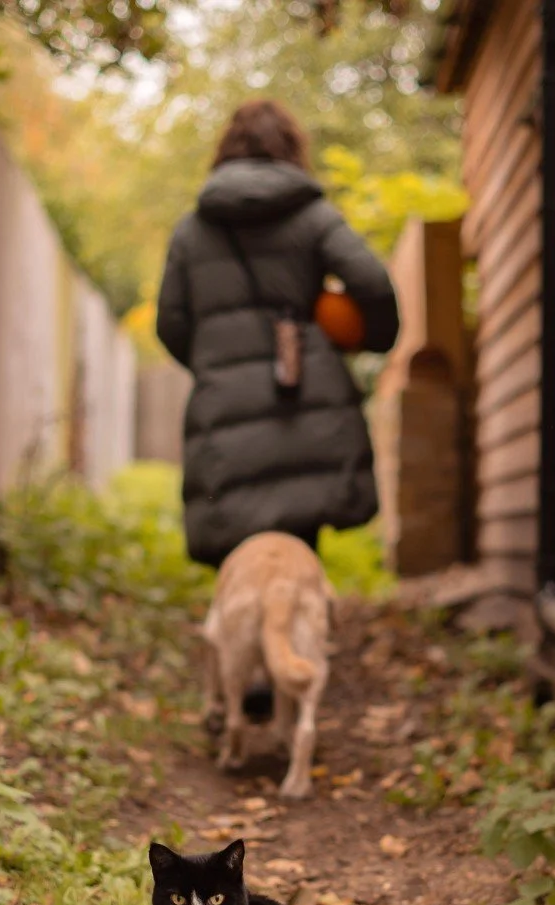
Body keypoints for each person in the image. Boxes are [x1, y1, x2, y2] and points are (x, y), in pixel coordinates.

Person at [156, 99, 400, 571]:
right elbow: (371, 282)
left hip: (225, 405)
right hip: (303, 394)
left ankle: (248, 633)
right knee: (299, 537)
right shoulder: (313, 217)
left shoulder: (192, 230)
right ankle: (296, 630)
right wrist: (371, 338)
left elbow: (170, 323)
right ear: (291, 149)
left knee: (241, 557)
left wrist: (216, 364)